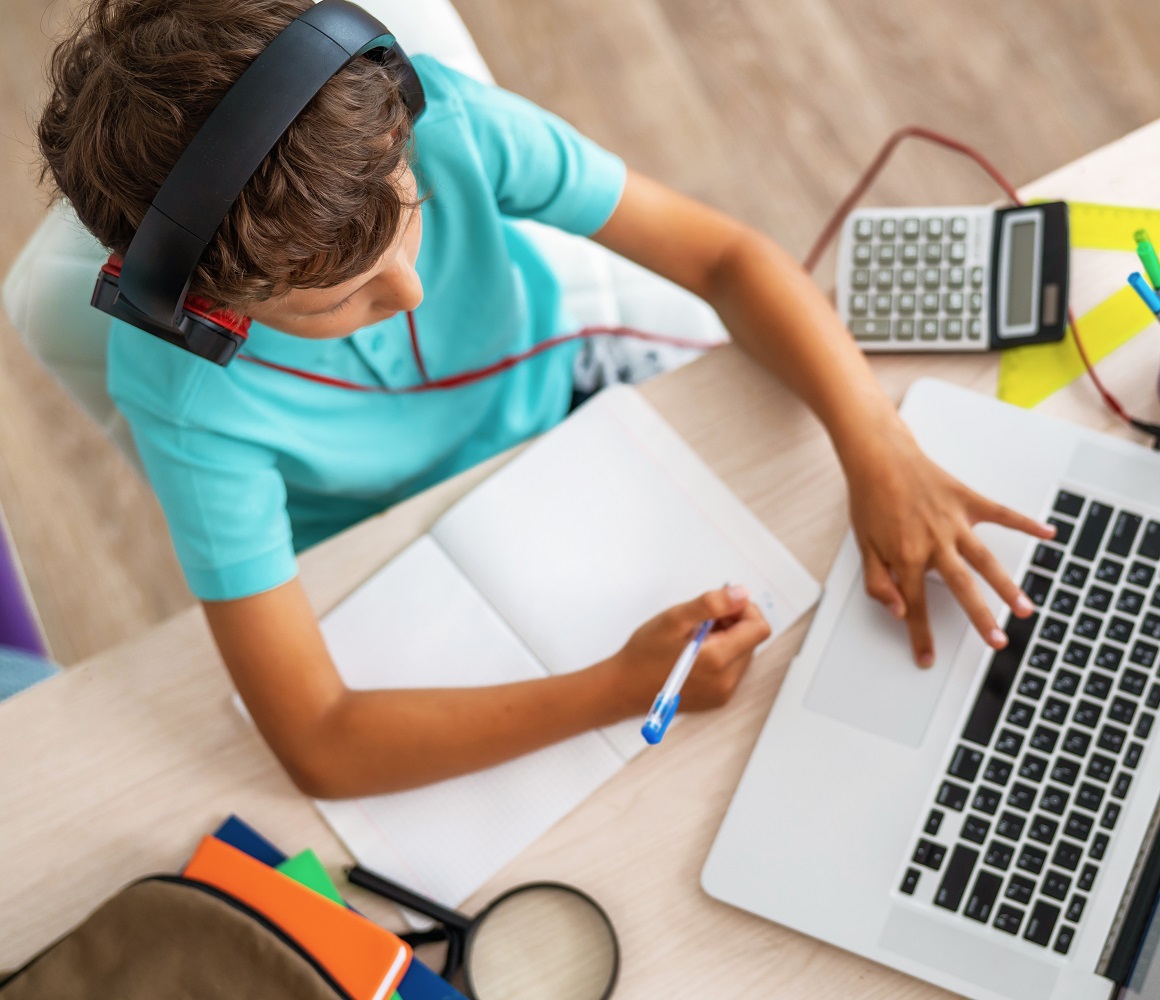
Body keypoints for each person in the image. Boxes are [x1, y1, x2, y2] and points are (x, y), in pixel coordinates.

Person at [35, 0, 1052, 798]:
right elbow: (317, 738)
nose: (414, 291)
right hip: (393, 553)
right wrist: (617, 691)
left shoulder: (449, 129)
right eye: (347, 299)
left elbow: (727, 255)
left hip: (573, 418)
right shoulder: (182, 392)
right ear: (207, 311)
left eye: (411, 219)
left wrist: (877, 446)